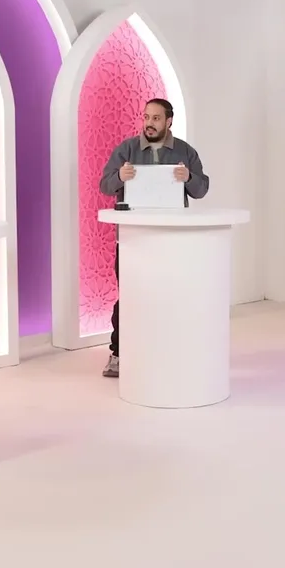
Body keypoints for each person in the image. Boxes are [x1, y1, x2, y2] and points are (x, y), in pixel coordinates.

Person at [97, 98, 209, 378]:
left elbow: (201, 190)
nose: (149, 123)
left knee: (173, 296)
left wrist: (189, 177)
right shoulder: (127, 150)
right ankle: (119, 354)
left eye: (156, 118)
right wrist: (120, 176)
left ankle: (169, 352)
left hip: (173, 241)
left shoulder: (185, 151)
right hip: (132, 240)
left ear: (169, 121)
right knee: (130, 297)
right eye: (146, 117)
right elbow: (105, 185)